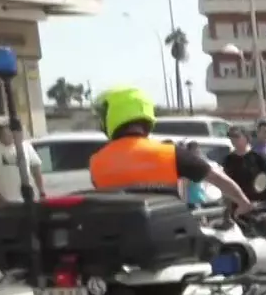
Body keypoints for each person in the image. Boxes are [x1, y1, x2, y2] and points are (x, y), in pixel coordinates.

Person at [87, 86, 250, 210]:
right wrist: (244, 204)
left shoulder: (97, 161)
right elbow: (218, 179)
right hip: (167, 240)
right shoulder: (169, 153)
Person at [0, 120, 44, 206]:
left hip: (26, 198)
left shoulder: (25, 146)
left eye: (3, 131)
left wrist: (42, 192)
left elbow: (36, 170)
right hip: (2, 201)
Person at [222, 127, 266, 205]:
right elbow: (226, 181)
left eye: (237, 137)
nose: (234, 140)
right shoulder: (229, 159)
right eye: (231, 137)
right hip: (236, 203)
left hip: (256, 203)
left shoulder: (259, 157)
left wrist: (261, 201)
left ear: (246, 138)